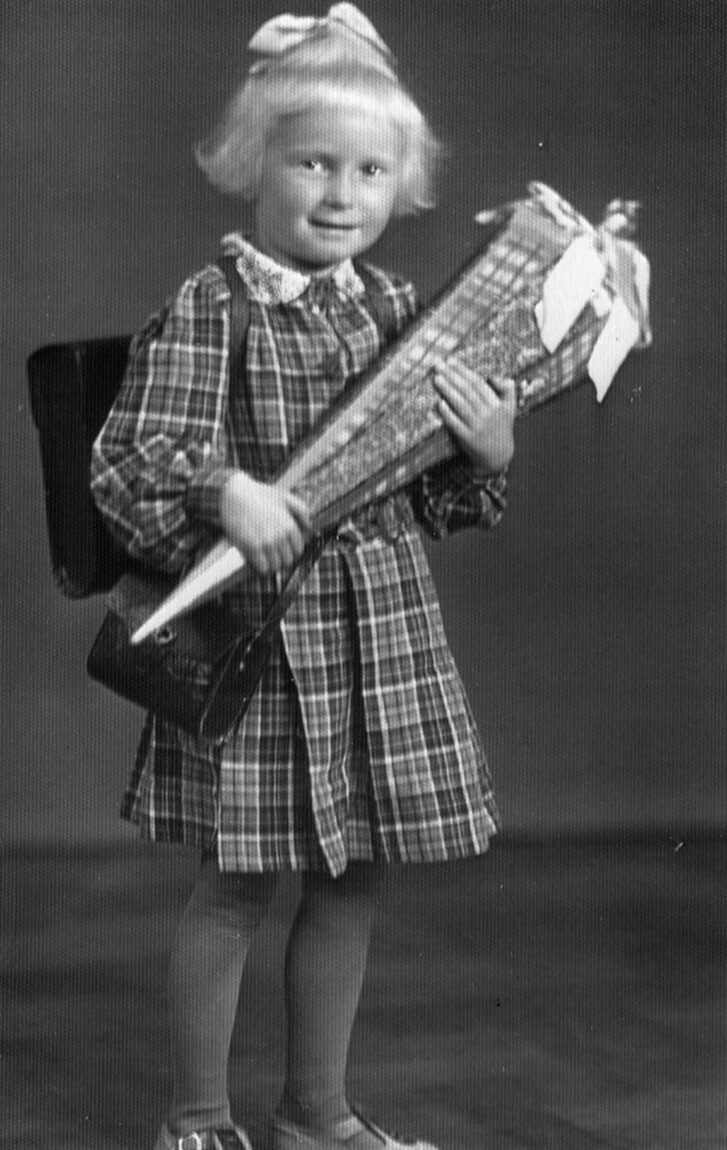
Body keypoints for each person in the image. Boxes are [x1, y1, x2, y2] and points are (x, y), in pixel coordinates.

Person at [91, 6, 517, 1150]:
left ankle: (316, 1115)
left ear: (401, 183)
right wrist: (225, 487)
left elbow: (434, 499)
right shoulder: (211, 306)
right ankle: (196, 1119)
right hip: (263, 640)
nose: (341, 192)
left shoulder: (395, 315)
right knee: (236, 885)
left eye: (370, 169)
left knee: (352, 877)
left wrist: (485, 453)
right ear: (253, 166)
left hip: (377, 633)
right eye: (312, 161)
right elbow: (126, 465)